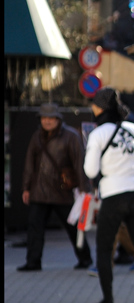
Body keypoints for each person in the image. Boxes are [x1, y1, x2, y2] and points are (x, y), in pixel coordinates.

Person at [83, 88, 134, 303]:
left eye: (94, 104)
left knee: (104, 249)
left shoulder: (98, 133)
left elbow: (90, 169)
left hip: (112, 195)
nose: (92, 108)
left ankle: (108, 300)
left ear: (102, 108)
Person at [18, 103, 93, 272]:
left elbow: (78, 164)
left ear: (58, 119)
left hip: (62, 191)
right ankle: (33, 262)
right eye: (44, 118)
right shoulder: (36, 137)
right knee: (34, 228)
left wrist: (83, 188)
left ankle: (85, 259)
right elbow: (30, 164)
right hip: (39, 190)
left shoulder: (71, 136)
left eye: (51, 118)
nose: (47, 121)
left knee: (73, 227)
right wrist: (26, 188)